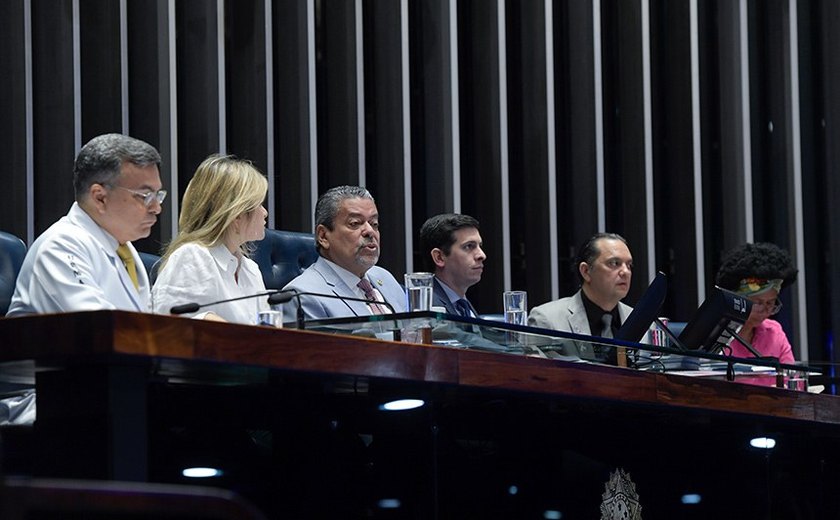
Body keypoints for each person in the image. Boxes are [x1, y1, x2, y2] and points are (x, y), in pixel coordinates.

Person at [7, 133, 164, 317]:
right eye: (145, 196)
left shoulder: (124, 251)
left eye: (158, 195)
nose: (156, 208)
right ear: (100, 197)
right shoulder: (60, 247)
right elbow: (99, 326)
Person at [152, 155, 270, 324]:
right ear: (237, 215)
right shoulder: (192, 257)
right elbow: (173, 326)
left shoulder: (250, 270)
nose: (264, 212)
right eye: (259, 204)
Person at [281, 185, 406, 322]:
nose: (370, 231)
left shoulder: (384, 277)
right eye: (355, 223)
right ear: (323, 236)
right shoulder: (302, 296)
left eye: (374, 224)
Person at [528, 233, 633, 363]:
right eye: (614, 263)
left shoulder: (644, 323)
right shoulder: (547, 320)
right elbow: (537, 377)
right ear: (586, 271)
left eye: (629, 265)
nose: (626, 272)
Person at [714, 242, 797, 363]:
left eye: (770, 303)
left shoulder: (774, 332)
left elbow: (791, 378)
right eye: (758, 302)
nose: (765, 311)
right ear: (737, 300)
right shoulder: (715, 337)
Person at [419, 213, 486, 317]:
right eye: (469, 246)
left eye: (479, 246)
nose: (482, 255)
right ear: (439, 257)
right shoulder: (426, 307)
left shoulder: (464, 306)